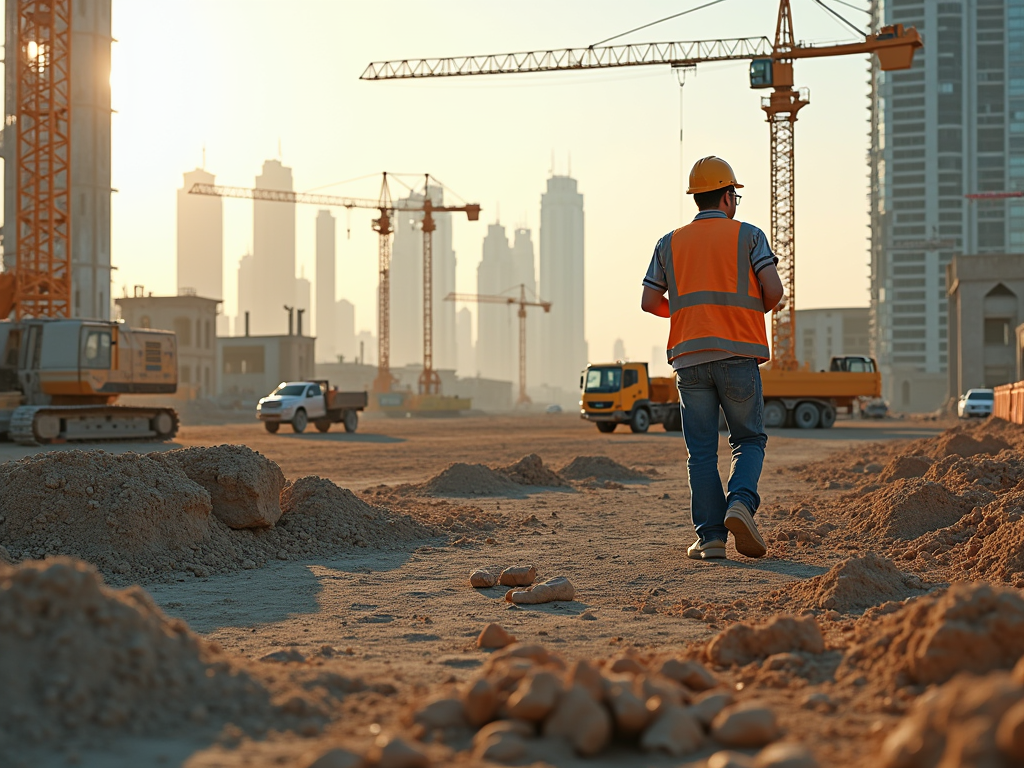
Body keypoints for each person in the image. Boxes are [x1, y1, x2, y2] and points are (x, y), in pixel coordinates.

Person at [640, 156, 785, 560]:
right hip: (738, 353)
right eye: (734, 194)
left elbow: (650, 300)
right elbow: (774, 291)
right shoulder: (750, 237)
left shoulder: (669, 242)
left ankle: (711, 538)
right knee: (748, 438)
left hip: (688, 358)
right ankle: (740, 502)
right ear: (726, 196)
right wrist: (744, 313)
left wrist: (688, 313)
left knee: (700, 450)